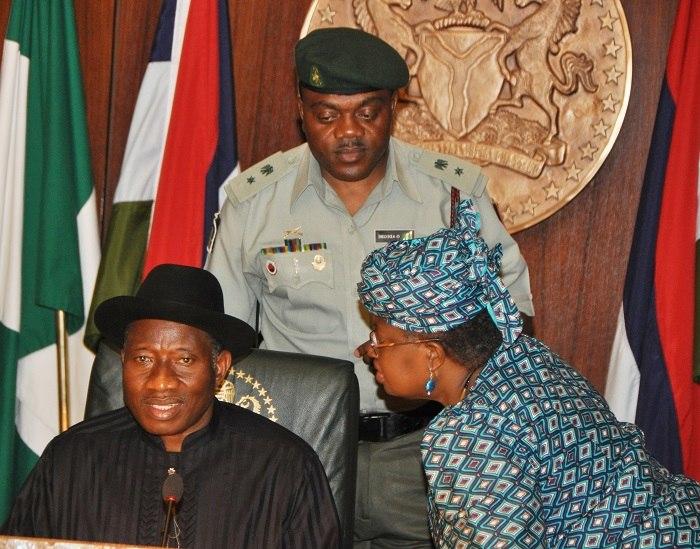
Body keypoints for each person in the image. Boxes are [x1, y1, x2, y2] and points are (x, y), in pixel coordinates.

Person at [206, 26, 533, 547]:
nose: (348, 132)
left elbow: (510, 324)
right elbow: (223, 343)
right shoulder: (254, 202)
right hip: (296, 451)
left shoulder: (449, 195)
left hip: (421, 452)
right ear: (301, 109)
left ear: (393, 107)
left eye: (368, 112)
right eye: (326, 114)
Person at [356, 200, 700, 548]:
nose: (369, 351)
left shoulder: (470, 435)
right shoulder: (528, 357)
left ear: (431, 354)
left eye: (379, 340)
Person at [2, 264, 340, 548]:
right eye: (143, 359)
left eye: (184, 359)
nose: (160, 381)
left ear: (218, 367)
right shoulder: (71, 459)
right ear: (123, 361)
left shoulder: (285, 466)